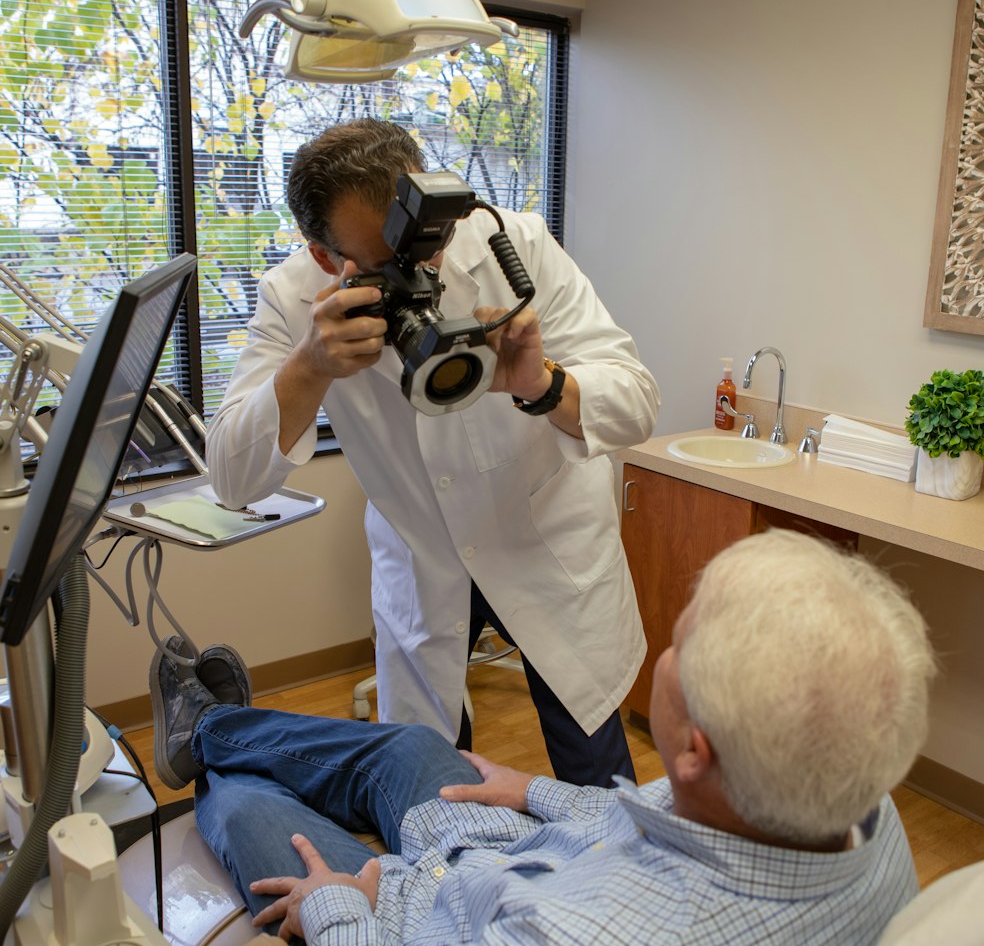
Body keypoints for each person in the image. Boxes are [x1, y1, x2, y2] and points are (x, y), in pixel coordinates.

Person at [149, 529, 937, 945]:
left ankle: (211, 750)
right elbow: (671, 816)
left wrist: (336, 909)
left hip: (419, 918)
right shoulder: (855, 805)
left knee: (245, 806)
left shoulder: (577, 937)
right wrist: (533, 791)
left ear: (695, 750)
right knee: (413, 748)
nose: (665, 653)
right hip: (519, 859)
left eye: (678, 645)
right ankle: (214, 727)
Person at [205, 117, 660, 787]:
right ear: (326, 259)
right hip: (423, 562)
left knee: (597, 776)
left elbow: (637, 402)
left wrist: (540, 384)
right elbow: (231, 478)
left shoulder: (516, 245)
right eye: (386, 263)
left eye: (428, 245)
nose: (419, 274)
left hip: (548, 548)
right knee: (432, 784)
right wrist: (309, 366)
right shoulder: (293, 297)